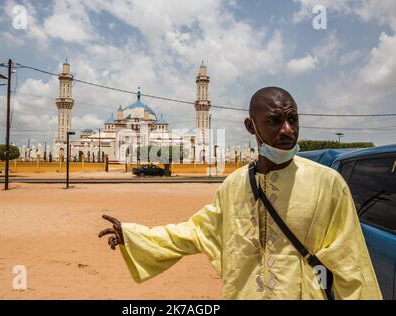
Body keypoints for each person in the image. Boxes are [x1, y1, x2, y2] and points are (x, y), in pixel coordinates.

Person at [98, 87, 382, 300]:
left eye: (293, 120)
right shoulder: (234, 185)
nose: (287, 130)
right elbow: (197, 232)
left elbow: (351, 263)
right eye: (274, 121)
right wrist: (136, 236)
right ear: (251, 126)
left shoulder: (327, 183)